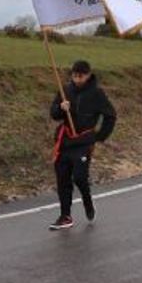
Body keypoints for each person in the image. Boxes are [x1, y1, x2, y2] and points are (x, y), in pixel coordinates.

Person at [48, 60, 116, 230]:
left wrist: (99, 136)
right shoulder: (65, 90)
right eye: (75, 76)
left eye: (81, 76)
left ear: (88, 75)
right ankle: (65, 216)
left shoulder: (97, 93)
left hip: (83, 142)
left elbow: (110, 115)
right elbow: (54, 114)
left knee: (79, 177)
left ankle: (87, 200)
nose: (77, 79)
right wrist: (60, 108)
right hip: (65, 141)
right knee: (62, 178)